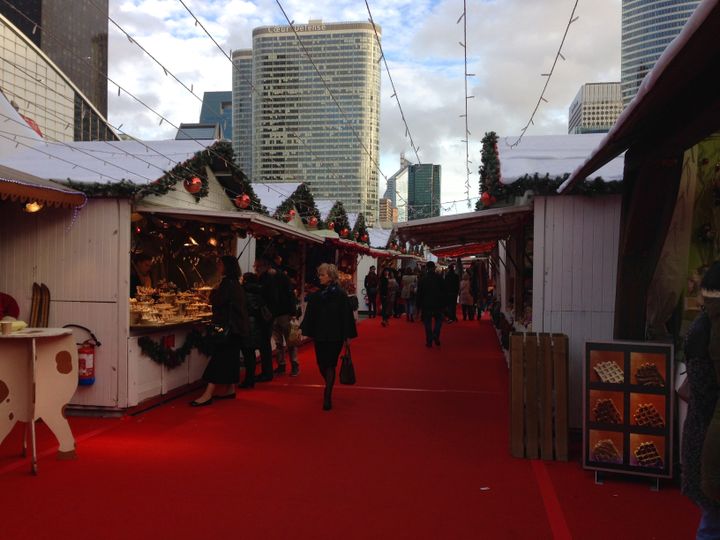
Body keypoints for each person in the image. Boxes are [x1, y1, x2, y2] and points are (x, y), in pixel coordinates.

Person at [684, 262, 720, 539]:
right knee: (713, 517)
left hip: (703, 428)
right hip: (708, 429)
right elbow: (704, 390)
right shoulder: (707, 329)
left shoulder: (703, 325)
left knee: (712, 517)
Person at [191, 256, 249, 406]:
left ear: (226, 267)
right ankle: (230, 389)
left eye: (220, 264)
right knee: (231, 359)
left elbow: (217, 301)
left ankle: (208, 394)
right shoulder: (235, 283)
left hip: (228, 329)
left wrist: (212, 292)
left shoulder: (227, 284)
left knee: (219, 359)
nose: (218, 266)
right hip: (236, 329)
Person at [300, 263, 357, 411]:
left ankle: (327, 395)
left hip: (335, 335)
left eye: (322, 274)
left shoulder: (341, 295)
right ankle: (329, 383)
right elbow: (311, 314)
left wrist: (347, 336)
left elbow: (346, 316)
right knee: (321, 364)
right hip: (320, 335)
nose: (320, 277)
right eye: (319, 274)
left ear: (331, 277)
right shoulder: (317, 295)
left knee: (330, 364)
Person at [237, 272, 270, 389]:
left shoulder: (243, 293)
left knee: (248, 355)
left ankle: (249, 380)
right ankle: (250, 378)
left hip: (248, 326)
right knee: (251, 354)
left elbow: (245, 309)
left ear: (245, 281)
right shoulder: (259, 292)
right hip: (257, 326)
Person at [416, 261, 446, 348]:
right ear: (434, 268)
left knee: (427, 323)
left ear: (426, 268)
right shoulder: (439, 278)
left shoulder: (423, 279)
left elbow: (419, 293)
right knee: (439, 320)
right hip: (438, 303)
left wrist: (418, 306)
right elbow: (444, 291)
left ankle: (429, 340)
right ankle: (436, 333)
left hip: (426, 304)